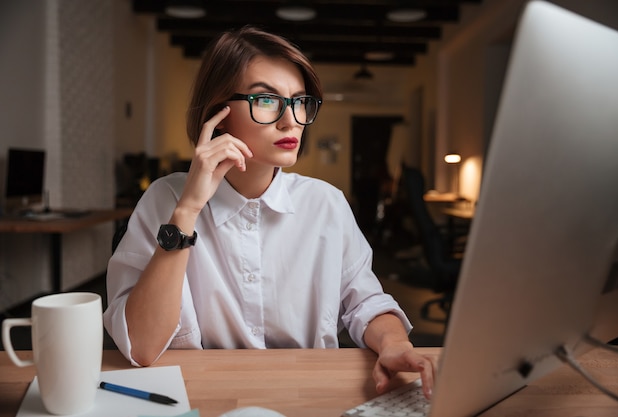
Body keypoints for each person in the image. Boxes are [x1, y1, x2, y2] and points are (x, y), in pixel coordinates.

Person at [103, 26, 436, 398]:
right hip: (203, 396)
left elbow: (366, 302)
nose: (290, 119)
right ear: (219, 112)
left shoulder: (325, 203)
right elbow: (141, 347)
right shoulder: (166, 198)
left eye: (299, 101)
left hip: (308, 393)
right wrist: (188, 209)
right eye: (266, 100)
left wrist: (393, 344)